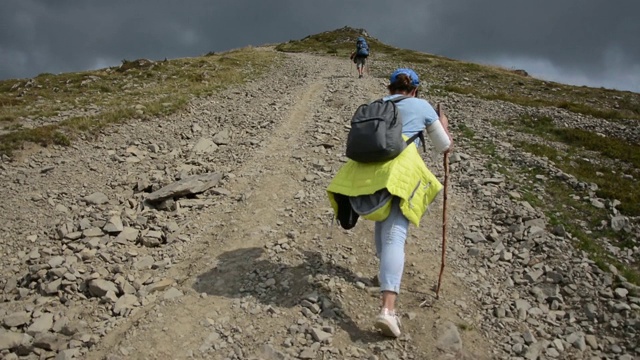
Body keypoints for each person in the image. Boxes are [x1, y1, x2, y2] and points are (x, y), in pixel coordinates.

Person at [326, 68, 453, 338]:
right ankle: (388, 310)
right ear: (415, 90)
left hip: (364, 176)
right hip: (399, 175)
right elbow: (444, 146)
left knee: (382, 223)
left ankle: (383, 276)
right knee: (396, 235)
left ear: (389, 88)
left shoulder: (376, 105)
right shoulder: (423, 106)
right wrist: (443, 123)